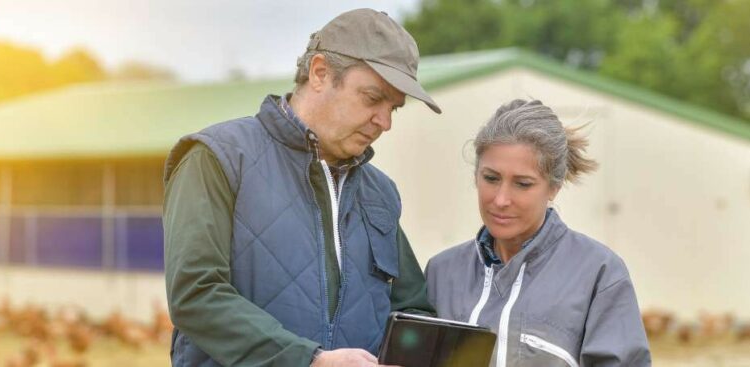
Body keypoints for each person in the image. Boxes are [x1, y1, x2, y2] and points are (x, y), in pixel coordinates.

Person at [163, 9, 440, 367]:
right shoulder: (219, 158)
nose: (384, 122)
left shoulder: (380, 192)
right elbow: (196, 296)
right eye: (372, 99)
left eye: (394, 109)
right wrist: (309, 360)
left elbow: (410, 310)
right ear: (320, 72)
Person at [426, 99, 651, 366]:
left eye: (522, 184)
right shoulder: (442, 272)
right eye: (491, 178)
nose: (501, 199)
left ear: (553, 187)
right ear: (476, 175)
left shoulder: (598, 273)